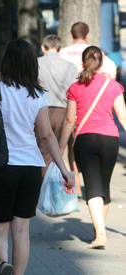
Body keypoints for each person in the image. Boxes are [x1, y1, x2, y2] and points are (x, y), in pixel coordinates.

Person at [0, 40, 75, 275]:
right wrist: (63, 169)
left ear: (6, 62)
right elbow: (46, 134)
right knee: (21, 231)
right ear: (32, 64)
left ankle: (3, 264)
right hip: (31, 168)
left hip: (2, 167)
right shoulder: (38, 94)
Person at [59, 46, 126, 249]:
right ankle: (100, 230)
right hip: (110, 140)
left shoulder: (75, 87)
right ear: (101, 63)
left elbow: (70, 120)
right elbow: (122, 116)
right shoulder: (113, 86)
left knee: (93, 186)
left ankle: (100, 233)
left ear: (83, 62)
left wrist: (60, 146)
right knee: (103, 186)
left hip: (85, 140)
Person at [36, 35, 80, 192]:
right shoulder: (71, 67)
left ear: (43, 47)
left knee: (43, 151)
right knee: (61, 151)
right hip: (63, 111)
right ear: (60, 48)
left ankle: (44, 189)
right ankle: (60, 188)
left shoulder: (36, 64)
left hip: (42, 111)